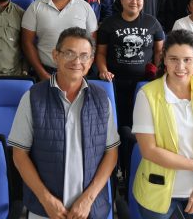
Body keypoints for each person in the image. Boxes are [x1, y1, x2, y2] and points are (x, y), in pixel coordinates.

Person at [9, 27, 119, 219]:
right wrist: (46, 200)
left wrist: (88, 199)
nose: (77, 61)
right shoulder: (33, 97)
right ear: (55, 55)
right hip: (46, 210)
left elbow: (111, 152)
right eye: (69, 53)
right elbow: (19, 154)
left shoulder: (102, 99)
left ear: (91, 61)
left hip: (90, 209)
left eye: (84, 56)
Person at [132, 29, 193, 219]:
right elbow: (149, 150)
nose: (180, 66)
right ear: (164, 59)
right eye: (174, 59)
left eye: (187, 60)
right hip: (157, 192)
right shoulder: (147, 95)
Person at [97, 0, 164, 128]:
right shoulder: (109, 23)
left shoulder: (152, 23)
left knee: (142, 121)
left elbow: (159, 52)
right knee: (117, 121)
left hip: (144, 82)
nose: (134, 2)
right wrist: (103, 71)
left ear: (143, 1)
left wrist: (159, 74)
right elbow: (101, 53)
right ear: (121, 0)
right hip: (115, 81)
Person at [21, 0, 98, 80]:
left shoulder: (85, 7)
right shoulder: (35, 7)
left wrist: (84, 70)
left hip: (77, 71)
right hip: (45, 71)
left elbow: (93, 43)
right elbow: (27, 42)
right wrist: (41, 73)